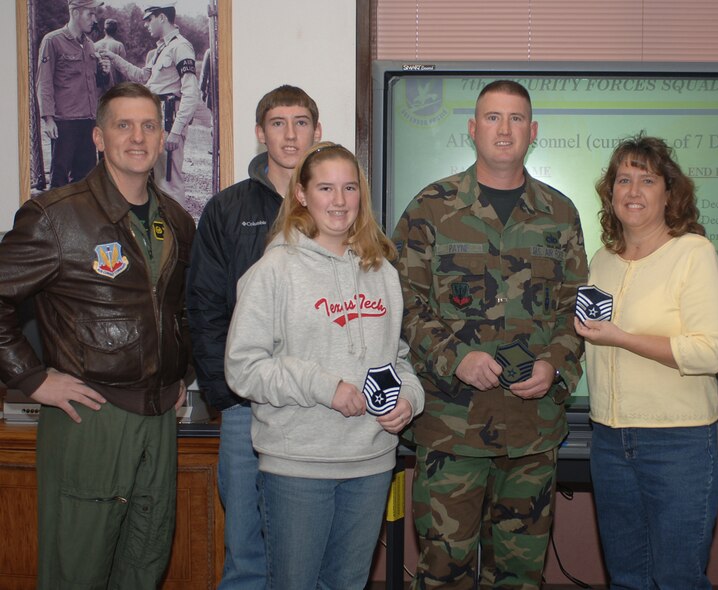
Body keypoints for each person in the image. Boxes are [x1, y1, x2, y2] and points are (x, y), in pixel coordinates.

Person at [392, 80, 588, 589]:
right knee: (443, 574)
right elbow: (403, 300)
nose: (504, 129)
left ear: (533, 131)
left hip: (531, 430)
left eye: (516, 118)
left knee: (520, 576)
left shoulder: (560, 214)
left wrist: (554, 364)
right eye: (493, 117)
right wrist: (454, 356)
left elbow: (574, 307)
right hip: (452, 428)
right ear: (472, 128)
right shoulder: (431, 208)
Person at [0, 82, 195, 589]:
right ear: (98, 137)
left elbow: (184, 308)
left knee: (144, 564)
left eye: (149, 125)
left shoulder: (175, 220)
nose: (138, 137)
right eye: (123, 125)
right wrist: (32, 378)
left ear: (162, 137)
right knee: (77, 570)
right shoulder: (55, 216)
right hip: (89, 417)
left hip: (159, 420)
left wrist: (182, 372)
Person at [224, 142, 424, 589]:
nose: (339, 201)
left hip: (371, 463)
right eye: (326, 188)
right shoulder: (274, 270)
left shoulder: (382, 271)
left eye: (349, 188)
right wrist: (323, 386)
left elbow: (398, 358)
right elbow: (242, 367)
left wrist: (410, 398)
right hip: (298, 466)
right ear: (302, 194)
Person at [575, 135, 718, 589]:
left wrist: (622, 338)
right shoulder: (602, 261)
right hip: (609, 441)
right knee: (627, 578)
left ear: (669, 193)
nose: (634, 191)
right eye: (623, 180)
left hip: (677, 444)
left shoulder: (694, 254)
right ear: (610, 193)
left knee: (678, 578)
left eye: (647, 180)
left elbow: (710, 351)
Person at [186, 85, 321, 589]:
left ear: (317, 131)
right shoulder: (227, 209)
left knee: (309, 553)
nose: (290, 134)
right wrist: (227, 395)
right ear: (260, 133)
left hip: (318, 406)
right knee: (245, 549)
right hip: (247, 405)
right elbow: (204, 307)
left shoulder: (338, 204)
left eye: (301, 122)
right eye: (278, 123)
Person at [102, 1, 199, 207]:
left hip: (169, 121)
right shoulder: (160, 50)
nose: (146, 24)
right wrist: (114, 58)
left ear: (162, 17)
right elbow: (141, 77)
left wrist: (176, 130)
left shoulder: (180, 47)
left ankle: (177, 226)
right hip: (155, 120)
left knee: (170, 183)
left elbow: (191, 92)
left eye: (149, 19)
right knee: (155, 181)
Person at [36, 0, 110, 188]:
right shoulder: (53, 41)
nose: (94, 19)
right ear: (75, 12)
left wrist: (104, 72)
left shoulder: (90, 45)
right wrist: (48, 118)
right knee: (60, 180)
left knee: (86, 180)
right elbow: (44, 82)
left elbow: (95, 84)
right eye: (90, 14)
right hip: (65, 122)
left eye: (95, 14)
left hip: (88, 120)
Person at [94, 18, 127, 92]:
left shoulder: (94, 45)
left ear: (104, 30)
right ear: (115, 31)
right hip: (116, 89)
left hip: (100, 90)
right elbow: (123, 70)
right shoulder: (119, 45)